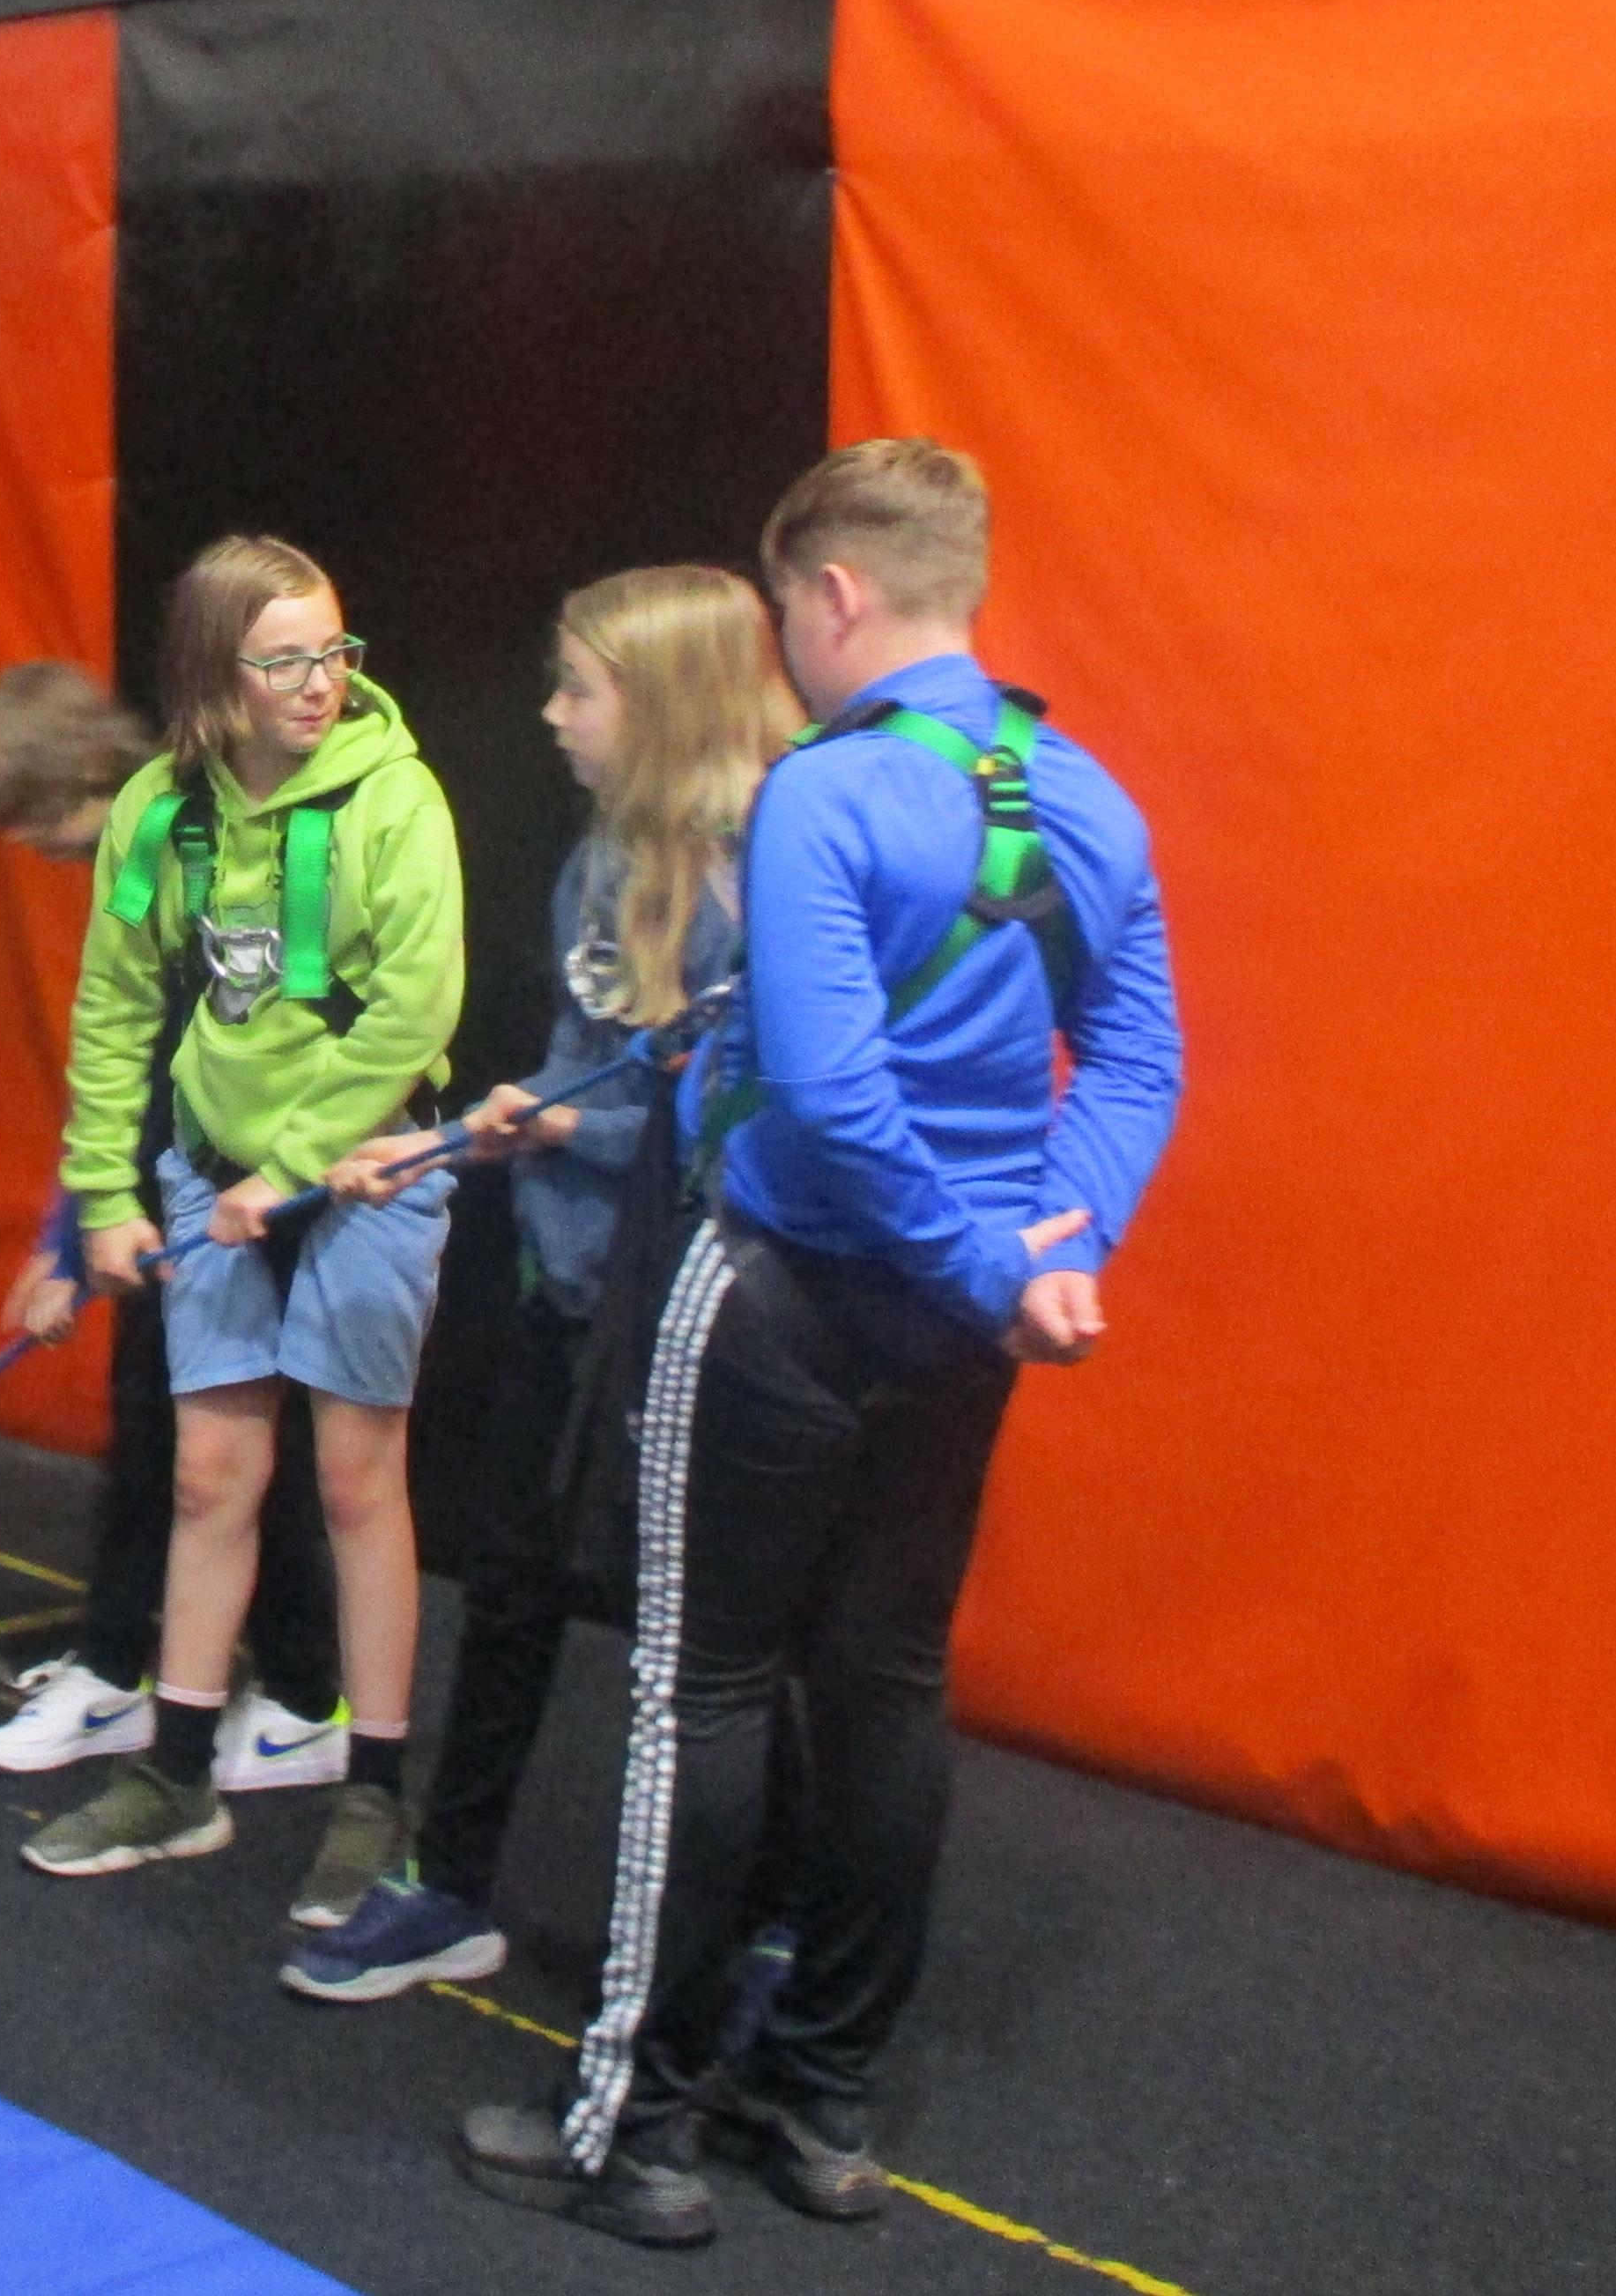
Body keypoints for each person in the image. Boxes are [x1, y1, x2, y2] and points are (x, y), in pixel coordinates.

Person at [460, 442, 1182, 2250]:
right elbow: (1139, 1061)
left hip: (786, 1292)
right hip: (961, 1327)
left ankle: (633, 2128)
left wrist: (984, 1255)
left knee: (694, 1691)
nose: (782, 637)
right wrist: (1051, 1246)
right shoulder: (1085, 795)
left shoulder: (827, 793)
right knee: (880, 1684)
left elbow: (836, 1097)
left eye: (786, 604)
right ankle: (821, 2100)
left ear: (836, 592)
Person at [284, 565, 785, 2005]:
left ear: (664, 704)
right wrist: (486, 1133)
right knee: (508, 1585)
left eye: (580, 689)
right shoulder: (600, 862)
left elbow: (743, 1122)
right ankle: (449, 1885)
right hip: (564, 1290)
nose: (553, 714)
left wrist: (573, 1131)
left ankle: (745, 1935)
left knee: (707, 1647)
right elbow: (584, 1063)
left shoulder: (765, 880)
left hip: (692, 1317)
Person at [19, 540, 464, 1963]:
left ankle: (374, 1787)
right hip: (210, 1179)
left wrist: (292, 1169)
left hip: (365, 1178)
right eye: (284, 660)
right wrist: (105, 1190)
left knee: (354, 1479)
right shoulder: (161, 813)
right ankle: (176, 1772)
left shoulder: (395, 797)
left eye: (334, 650)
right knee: (209, 1474)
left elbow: (414, 1009)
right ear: (217, 674)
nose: (319, 682)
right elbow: (113, 1004)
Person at [0, 664, 352, 1797]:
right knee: (154, 1444)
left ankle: (298, 1700)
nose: (26, 846)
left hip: (246, 1197)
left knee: (241, 1456)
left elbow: (202, 1057)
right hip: (179, 1196)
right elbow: (117, 1062)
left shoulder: (204, 853)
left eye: (34, 817)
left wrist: (105, 1234)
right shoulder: (138, 854)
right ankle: (122, 1665)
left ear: (87, 772)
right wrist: (69, 1235)